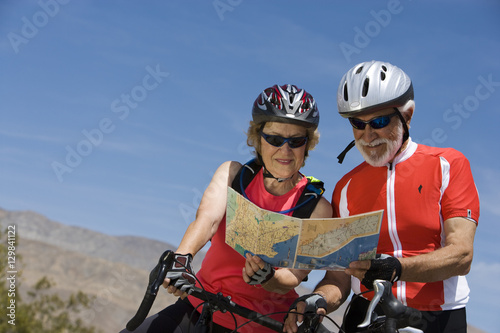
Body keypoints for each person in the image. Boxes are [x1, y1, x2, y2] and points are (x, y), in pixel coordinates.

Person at [121, 84, 335, 333]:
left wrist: (268, 278)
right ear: (258, 138)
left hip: (265, 324)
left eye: (296, 141)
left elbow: (292, 278)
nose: (285, 150)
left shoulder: (316, 207)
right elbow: (207, 221)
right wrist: (182, 258)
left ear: (307, 144)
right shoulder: (233, 176)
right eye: (275, 139)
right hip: (202, 306)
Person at [289, 60, 480, 333]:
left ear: (408, 115)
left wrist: (396, 268)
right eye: (357, 123)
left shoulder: (447, 165)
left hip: (435, 319)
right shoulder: (345, 187)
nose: (367, 135)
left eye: (378, 122)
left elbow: (461, 255)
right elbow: (339, 278)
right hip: (363, 315)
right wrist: (318, 299)